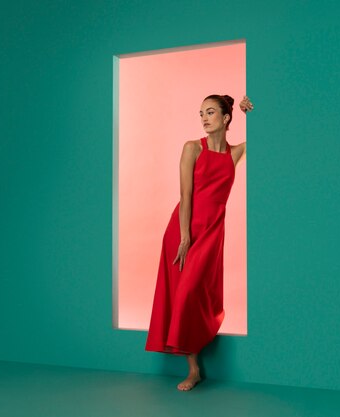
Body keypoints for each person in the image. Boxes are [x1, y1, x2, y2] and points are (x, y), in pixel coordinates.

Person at [144, 94, 253, 391]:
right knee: (183, 293)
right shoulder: (192, 148)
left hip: (213, 233)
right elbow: (186, 196)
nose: (204, 118)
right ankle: (193, 370)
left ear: (226, 118)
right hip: (183, 231)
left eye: (210, 112)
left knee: (195, 293)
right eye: (201, 113)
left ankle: (198, 353)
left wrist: (250, 113)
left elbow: (269, 140)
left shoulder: (235, 154)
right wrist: (184, 237)